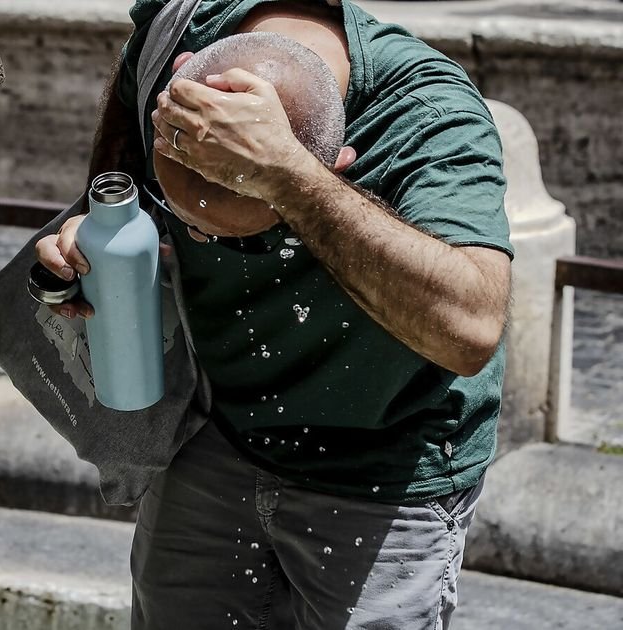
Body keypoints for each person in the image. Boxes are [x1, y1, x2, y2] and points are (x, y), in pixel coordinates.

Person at [34, 1, 513, 628]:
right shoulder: (178, 33)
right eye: (189, 218)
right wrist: (97, 237)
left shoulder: (429, 118)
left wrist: (293, 180)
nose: (200, 236)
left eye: (232, 228)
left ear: (336, 161)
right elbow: (120, 158)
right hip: (212, 437)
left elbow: (471, 329)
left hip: (385, 471)